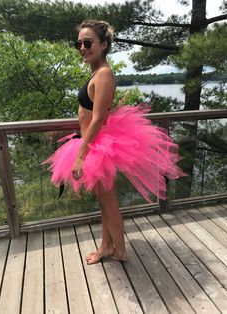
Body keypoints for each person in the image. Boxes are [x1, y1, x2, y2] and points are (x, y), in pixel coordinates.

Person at [44, 19, 185, 265]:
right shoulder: (97, 73)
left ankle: (119, 251)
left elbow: (98, 119)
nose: (82, 48)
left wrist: (80, 156)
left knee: (109, 204)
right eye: (79, 43)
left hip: (96, 147)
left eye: (88, 43)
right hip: (90, 144)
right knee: (104, 202)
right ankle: (106, 246)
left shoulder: (105, 74)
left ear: (104, 45)